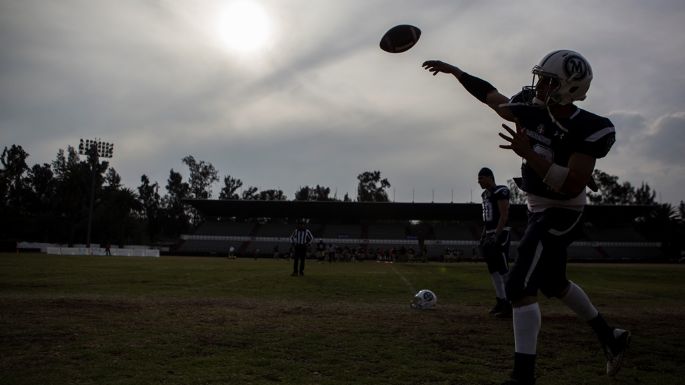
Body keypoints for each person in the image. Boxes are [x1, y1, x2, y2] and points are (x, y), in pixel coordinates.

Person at [423, 50, 628, 384]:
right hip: (538, 208)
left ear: (570, 88)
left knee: (519, 286)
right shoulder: (531, 109)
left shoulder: (589, 127)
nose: (540, 84)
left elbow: (573, 183)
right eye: (542, 77)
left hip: (563, 210)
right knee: (553, 282)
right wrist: (456, 71)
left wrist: (529, 154)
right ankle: (611, 337)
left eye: (549, 81)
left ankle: (523, 377)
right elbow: (492, 98)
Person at [477, 167, 512, 317]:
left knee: (503, 270)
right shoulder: (485, 194)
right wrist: (484, 235)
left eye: (481, 178)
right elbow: (487, 219)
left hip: (501, 233)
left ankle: (511, 303)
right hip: (490, 234)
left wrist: (496, 235)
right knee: (493, 270)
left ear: (490, 177)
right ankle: (501, 300)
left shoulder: (501, 191)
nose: (479, 181)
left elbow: (504, 216)